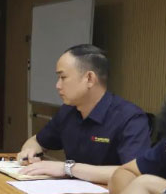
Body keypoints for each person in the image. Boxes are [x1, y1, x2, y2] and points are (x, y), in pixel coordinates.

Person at [17, 44, 151, 183]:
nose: (58, 85)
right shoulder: (68, 111)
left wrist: (68, 168)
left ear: (89, 79)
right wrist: (29, 152)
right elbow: (37, 141)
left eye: (63, 77)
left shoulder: (130, 117)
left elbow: (134, 172)